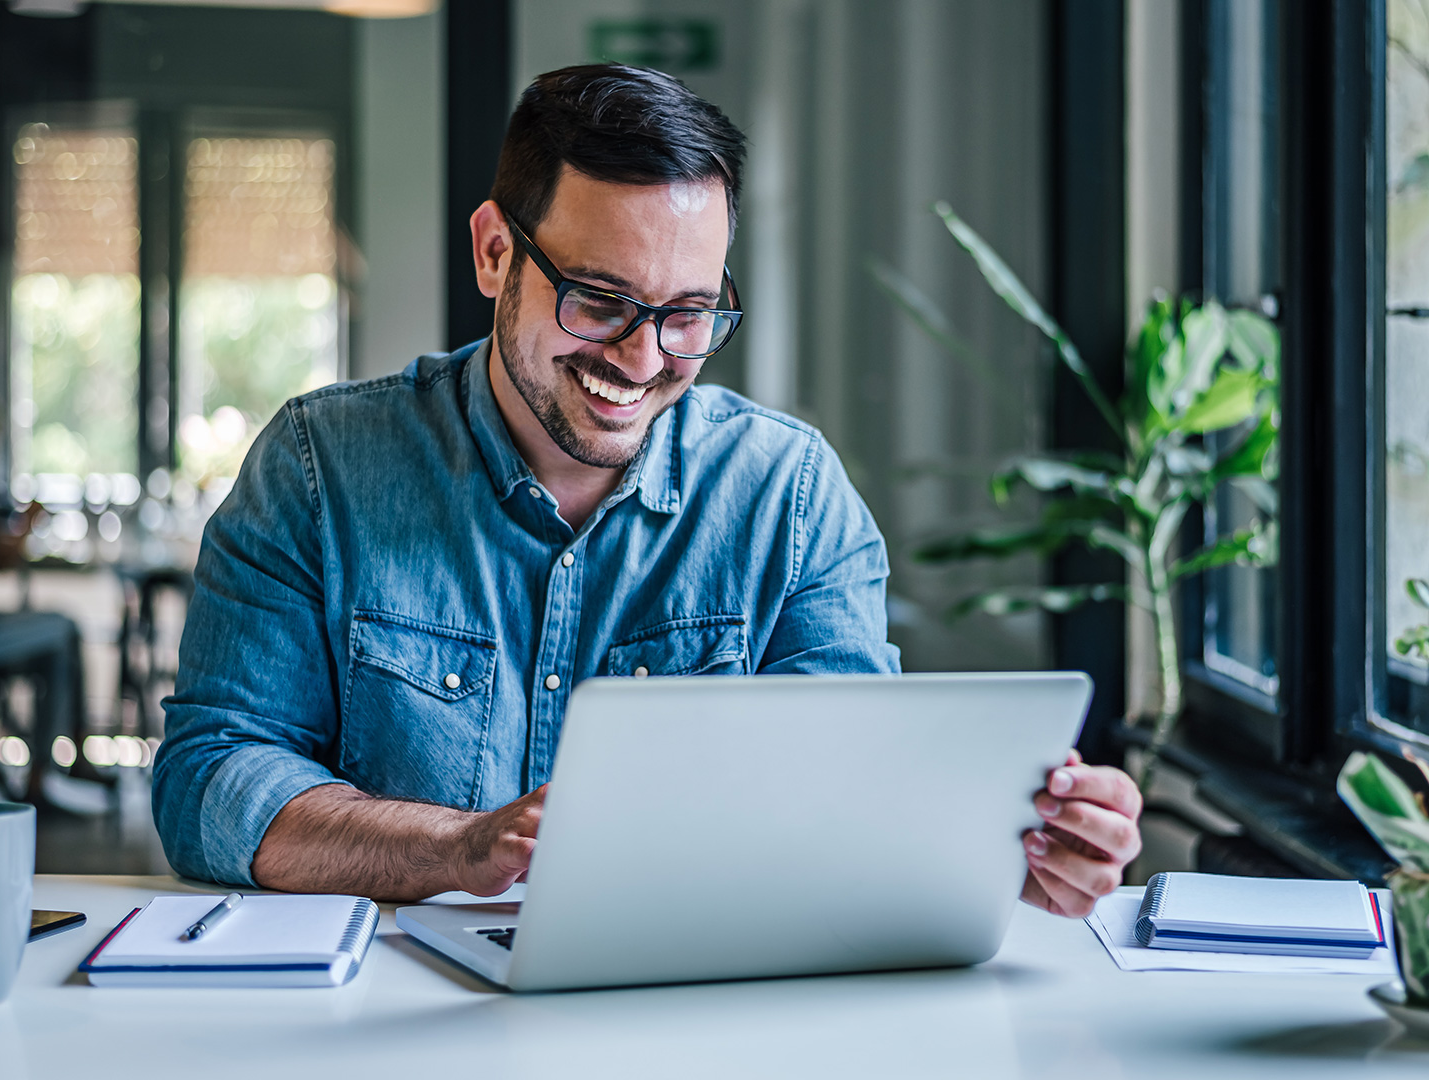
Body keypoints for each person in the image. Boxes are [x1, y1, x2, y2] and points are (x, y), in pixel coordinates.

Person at [152, 64, 1140, 918]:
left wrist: (1009, 849)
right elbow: (212, 781)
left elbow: (843, 802)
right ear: (496, 253)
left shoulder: (788, 500)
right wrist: (459, 848)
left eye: (690, 315)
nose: (643, 356)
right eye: (600, 300)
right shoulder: (319, 470)